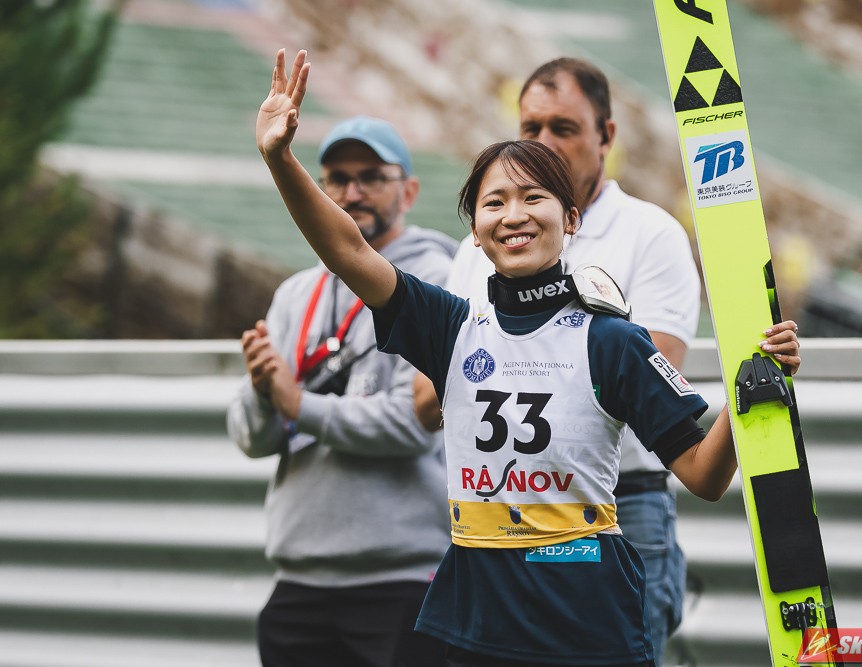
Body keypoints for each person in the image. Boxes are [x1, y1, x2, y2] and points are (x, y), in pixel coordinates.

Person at [254, 49, 801, 666]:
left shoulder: (613, 339)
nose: (513, 215)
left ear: (571, 218)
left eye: (534, 197)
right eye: (494, 203)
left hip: (587, 623)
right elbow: (349, 250)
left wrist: (752, 389)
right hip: (476, 623)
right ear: (475, 231)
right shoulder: (450, 326)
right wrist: (280, 158)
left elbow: (705, 475)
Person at [413, 57, 710, 663]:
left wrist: (521, 358)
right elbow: (426, 398)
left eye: (564, 127)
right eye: (531, 127)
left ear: (606, 135)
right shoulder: (484, 243)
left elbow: (648, 377)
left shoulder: (651, 233)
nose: (545, 141)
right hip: (499, 511)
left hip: (621, 503)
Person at [227, 111, 456, 667]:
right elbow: (253, 439)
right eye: (338, 178)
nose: (353, 193)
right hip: (299, 575)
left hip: (402, 579)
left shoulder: (440, 280)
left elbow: (414, 426)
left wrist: (297, 404)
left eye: (371, 177)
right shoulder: (295, 294)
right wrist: (263, 392)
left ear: (409, 190)